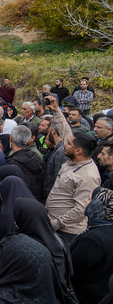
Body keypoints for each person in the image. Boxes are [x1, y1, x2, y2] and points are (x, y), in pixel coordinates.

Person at [46, 95, 100, 245]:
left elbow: (81, 209)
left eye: (68, 144)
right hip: (53, 222)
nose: (64, 144)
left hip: (66, 232)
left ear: (78, 151)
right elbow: (65, 131)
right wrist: (56, 110)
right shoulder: (74, 159)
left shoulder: (88, 176)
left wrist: (57, 223)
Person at [71, 186, 113, 304]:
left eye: (90, 199)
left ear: (98, 205)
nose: (86, 202)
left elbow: (73, 270)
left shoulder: (92, 240)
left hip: (87, 301)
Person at [6, 125, 45, 201]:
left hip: (19, 202)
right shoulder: (35, 156)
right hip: (34, 200)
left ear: (10, 138)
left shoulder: (13, 163)